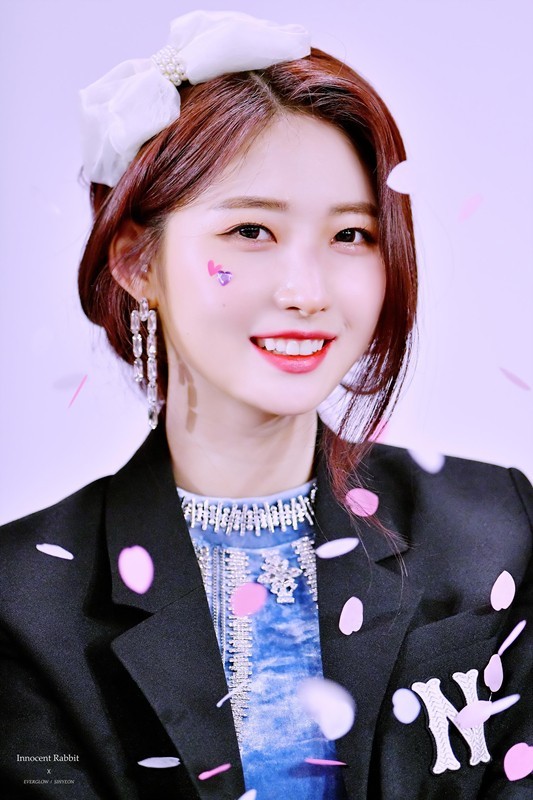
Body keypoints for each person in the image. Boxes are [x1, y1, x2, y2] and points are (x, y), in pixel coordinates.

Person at [0, 10, 531, 800]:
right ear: (137, 261)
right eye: (251, 230)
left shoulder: (493, 527)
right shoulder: (23, 601)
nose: (305, 291)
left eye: (350, 236)